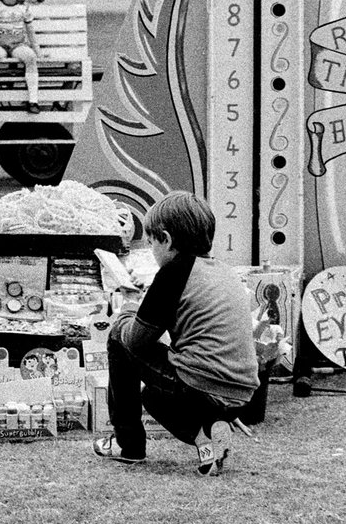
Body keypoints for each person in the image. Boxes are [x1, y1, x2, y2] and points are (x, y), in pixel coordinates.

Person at [93, 191, 263, 476]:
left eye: (151, 243)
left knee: (117, 337)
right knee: (153, 397)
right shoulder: (222, 270)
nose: (151, 251)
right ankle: (208, 445)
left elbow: (136, 341)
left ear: (167, 240)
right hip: (241, 394)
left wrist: (130, 305)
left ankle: (128, 445)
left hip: (197, 385)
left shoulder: (173, 273)